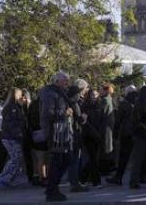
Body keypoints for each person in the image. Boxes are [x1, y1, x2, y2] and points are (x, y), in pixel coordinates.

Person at [39, 71, 74, 202]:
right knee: (58, 162)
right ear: (57, 81)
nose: (67, 83)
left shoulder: (59, 92)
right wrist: (64, 113)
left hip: (62, 133)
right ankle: (52, 190)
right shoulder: (50, 93)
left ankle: (52, 187)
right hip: (54, 134)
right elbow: (47, 114)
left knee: (65, 160)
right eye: (65, 80)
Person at [106, 85, 138, 185]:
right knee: (141, 156)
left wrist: (115, 133)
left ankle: (118, 177)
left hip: (126, 133)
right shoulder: (139, 100)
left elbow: (118, 120)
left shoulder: (124, 103)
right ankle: (145, 176)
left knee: (124, 156)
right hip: (138, 131)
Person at [0, 87, 28, 188]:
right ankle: (2, 179)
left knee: (16, 159)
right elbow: (13, 123)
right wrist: (19, 134)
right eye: (20, 94)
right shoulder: (11, 107)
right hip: (11, 137)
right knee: (15, 159)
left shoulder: (15, 106)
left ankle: (10, 179)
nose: (22, 97)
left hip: (12, 137)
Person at [67, 80, 89, 193]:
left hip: (71, 134)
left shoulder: (68, 101)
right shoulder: (75, 103)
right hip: (75, 134)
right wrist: (84, 117)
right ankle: (74, 183)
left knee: (72, 160)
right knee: (75, 160)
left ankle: (74, 182)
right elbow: (80, 119)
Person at [80, 89, 103, 187]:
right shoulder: (85, 106)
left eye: (96, 94)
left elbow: (102, 120)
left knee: (93, 159)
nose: (94, 97)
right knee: (93, 159)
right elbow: (84, 122)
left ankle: (83, 178)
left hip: (98, 134)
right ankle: (96, 182)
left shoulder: (99, 106)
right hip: (88, 135)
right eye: (92, 95)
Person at [98, 84, 115, 175]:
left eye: (101, 90)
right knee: (108, 146)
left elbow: (100, 113)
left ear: (105, 91)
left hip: (105, 126)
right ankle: (108, 167)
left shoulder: (104, 100)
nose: (99, 91)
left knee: (105, 147)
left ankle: (105, 169)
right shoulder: (109, 98)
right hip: (109, 126)